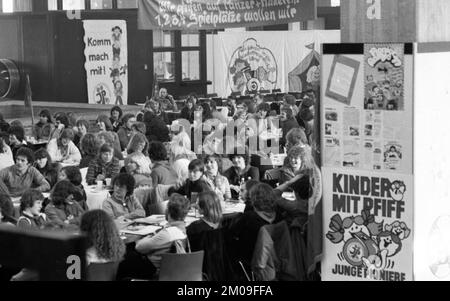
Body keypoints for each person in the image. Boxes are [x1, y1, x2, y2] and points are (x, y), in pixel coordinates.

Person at [135, 193, 190, 273]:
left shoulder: (167, 234)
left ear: (168, 212)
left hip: (155, 271)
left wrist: (147, 237)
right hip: (173, 272)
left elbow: (139, 247)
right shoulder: (183, 230)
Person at [229, 183, 279, 266]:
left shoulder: (248, 218)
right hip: (274, 257)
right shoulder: (279, 216)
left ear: (253, 198)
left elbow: (231, 234)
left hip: (250, 258)